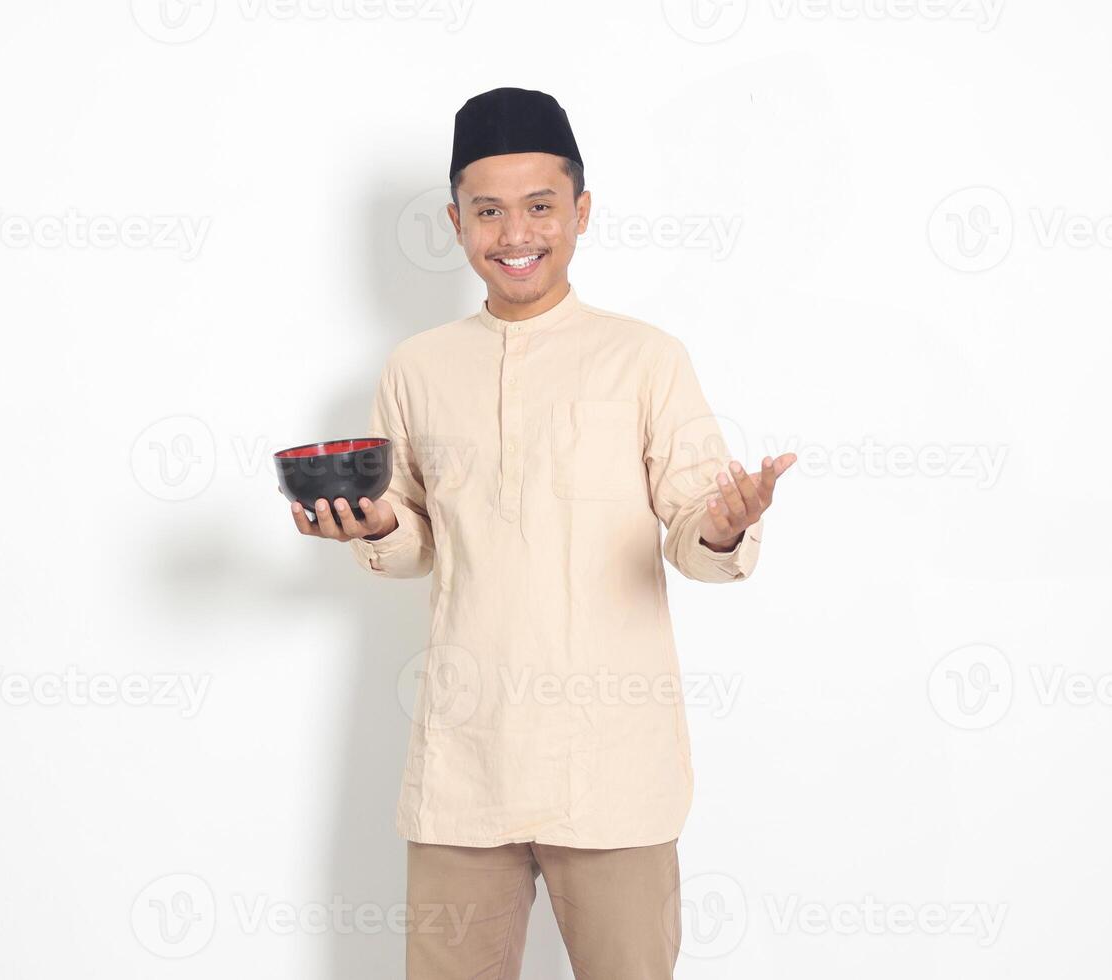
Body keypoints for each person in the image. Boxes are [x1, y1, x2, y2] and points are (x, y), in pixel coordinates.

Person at [284, 86, 795, 979]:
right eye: (488, 210)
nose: (514, 232)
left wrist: (719, 527)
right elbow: (416, 539)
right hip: (464, 769)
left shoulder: (645, 358)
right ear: (455, 221)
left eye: (539, 206)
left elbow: (691, 525)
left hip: (615, 771)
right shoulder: (417, 368)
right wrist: (372, 525)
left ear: (581, 212)